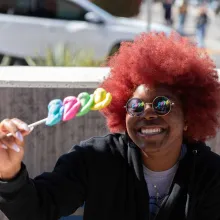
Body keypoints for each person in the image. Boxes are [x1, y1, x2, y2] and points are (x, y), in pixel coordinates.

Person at [0, 32, 220, 220]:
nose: (148, 114)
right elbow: (37, 209)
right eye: (136, 105)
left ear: (189, 117)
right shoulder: (95, 158)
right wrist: (9, 174)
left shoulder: (210, 174)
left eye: (162, 105)